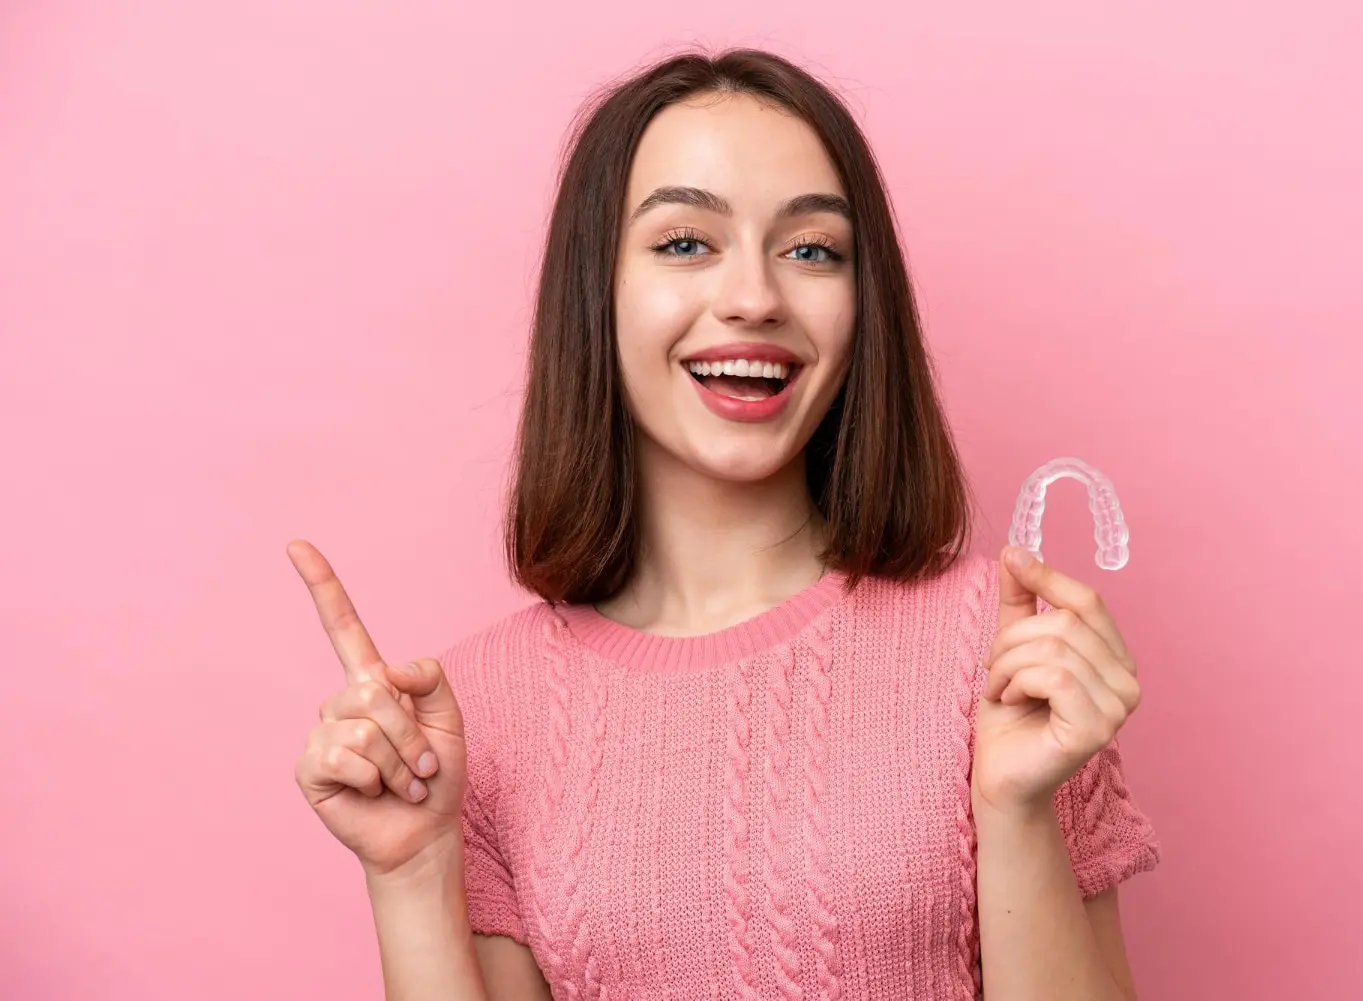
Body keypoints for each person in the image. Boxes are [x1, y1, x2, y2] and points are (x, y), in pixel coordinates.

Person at [290, 47, 1160, 1001]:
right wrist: (412, 875)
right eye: (684, 243)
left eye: (813, 250)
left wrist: (1018, 810)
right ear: (597, 293)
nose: (754, 297)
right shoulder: (479, 713)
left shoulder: (1001, 652)